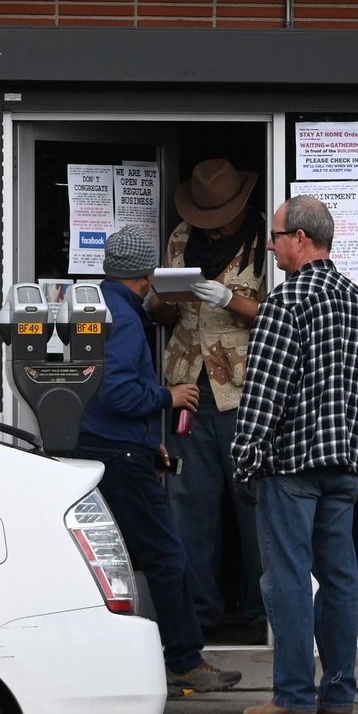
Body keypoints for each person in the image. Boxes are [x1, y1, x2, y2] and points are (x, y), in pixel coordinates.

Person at [67, 224, 241, 693]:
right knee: (166, 555)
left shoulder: (96, 304)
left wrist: (150, 439)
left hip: (107, 445)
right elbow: (118, 390)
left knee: (110, 559)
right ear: (146, 274)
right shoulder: (124, 319)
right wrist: (168, 396)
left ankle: (109, 656)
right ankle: (184, 659)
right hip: (121, 454)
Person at [230, 195, 358, 714]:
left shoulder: (285, 302)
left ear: (299, 238)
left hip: (291, 465)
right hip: (344, 464)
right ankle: (338, 695)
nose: (269, 246)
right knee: (340, 579)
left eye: (274, 236)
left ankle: (293, 696)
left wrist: (244, 458)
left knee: (288, 578)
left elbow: (264, 395)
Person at [155, 158, 267, 642]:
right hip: (188, 388)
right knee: (189, 507)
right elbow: (162, 315)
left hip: (244, 391)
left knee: (256, 507)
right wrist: (163, 298)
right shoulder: (182, 236)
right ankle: (196, 619)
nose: (212, 226)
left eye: (220, 214)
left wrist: (229, 299)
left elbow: (280, 318)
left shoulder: (266, 242)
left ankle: (267, 616)